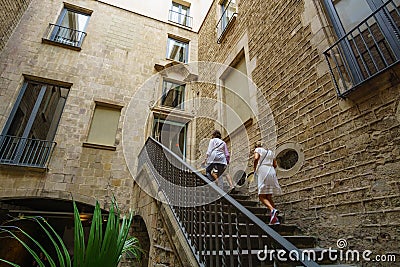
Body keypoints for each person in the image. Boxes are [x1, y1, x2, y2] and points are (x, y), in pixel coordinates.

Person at [253, 141, 282, 225]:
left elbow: (256, 158)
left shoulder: (258, 149)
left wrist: (255, 168)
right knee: (268, 196)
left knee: (261, 196)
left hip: (263, 171)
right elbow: (275, 165)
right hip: (271, 171)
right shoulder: (270, 152)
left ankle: (272, 209)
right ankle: (275, 218)